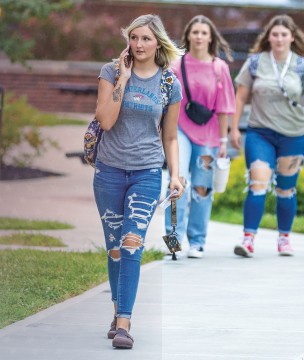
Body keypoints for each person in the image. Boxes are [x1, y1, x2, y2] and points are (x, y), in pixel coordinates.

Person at [93, 14, 184, 349]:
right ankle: (118, 311)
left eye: (146, 38)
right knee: (115, 247)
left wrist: (174, 174)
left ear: (158, 42)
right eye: (134, 38)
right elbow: (105, 119)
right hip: (109, 171)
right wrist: (123, 78)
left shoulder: (169, 84)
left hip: (146, 173)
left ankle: (124, 323)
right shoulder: (110, 72)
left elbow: (170, 136)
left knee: (132, 243)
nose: (139, 45)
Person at [230, 14, 304, 258]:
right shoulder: (255, 63)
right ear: (268, 37)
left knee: (285, 189)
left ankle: (284, 239)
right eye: (275, 34)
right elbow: (240, 97)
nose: (279, 38)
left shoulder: (303, 66)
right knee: (258, 182)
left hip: (293, 134)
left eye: (284, 34)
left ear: (292, 37)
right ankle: (248, 239)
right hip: (260, 132)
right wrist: (233, 128)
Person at [164, 15, 236, 259]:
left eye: (204, 33)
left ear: (211, 37)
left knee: (202, 189)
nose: (199, 37)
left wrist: (224, 142)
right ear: (188, 35)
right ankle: (173, 240)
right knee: (177, 183)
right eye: (195, 32)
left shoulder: (220, 68)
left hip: (209, 136)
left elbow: (225, 107)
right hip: (180, 131)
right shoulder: (176, 65)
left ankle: (197, 241)